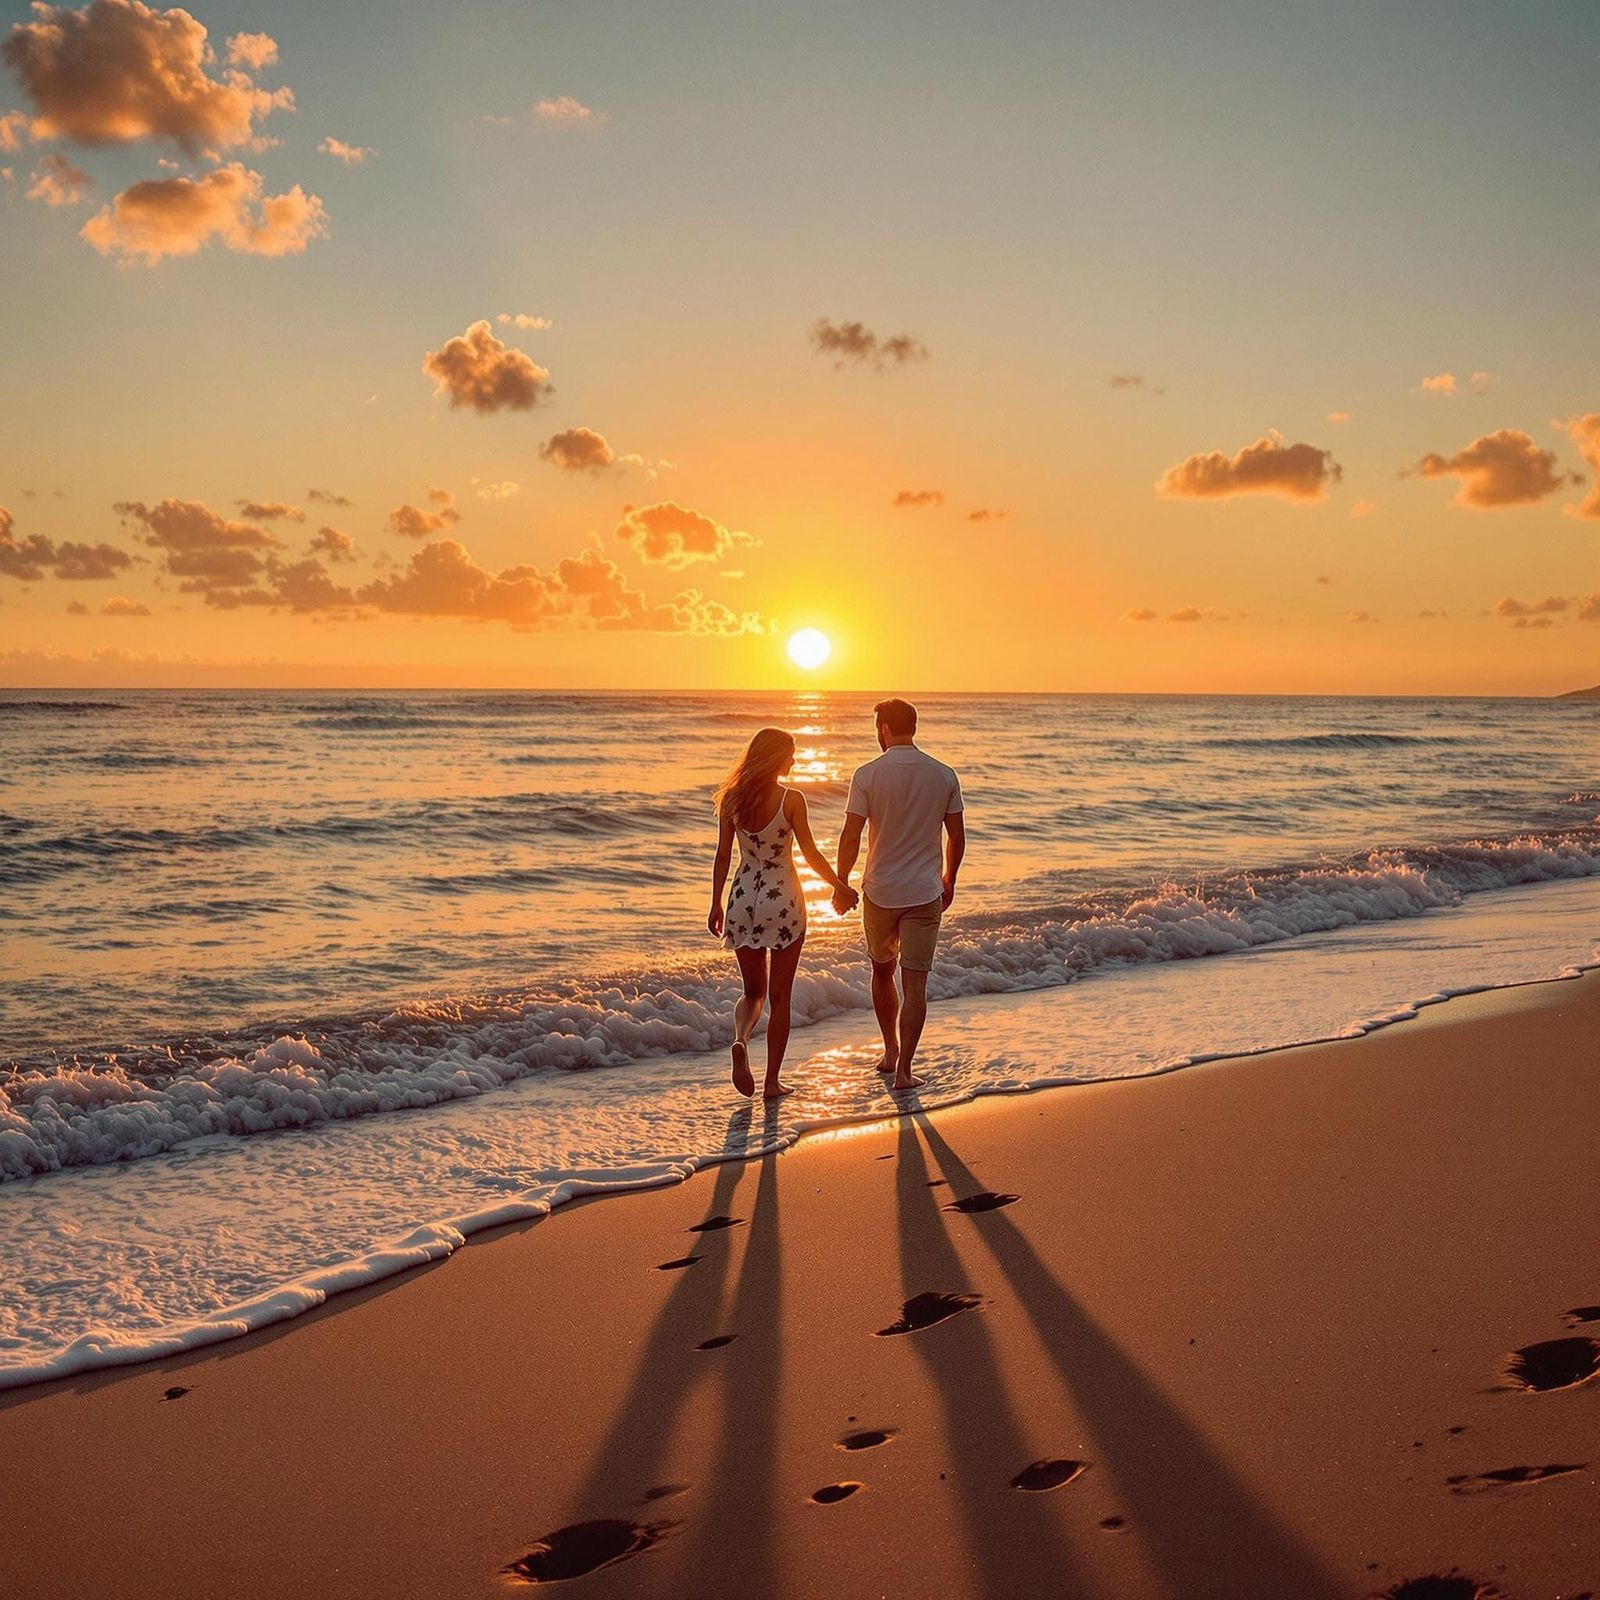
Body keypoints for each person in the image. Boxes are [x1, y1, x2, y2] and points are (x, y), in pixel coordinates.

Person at [708, 727, 859, 1099]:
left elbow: (724, 856)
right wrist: (839, 886)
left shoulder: (730, 800)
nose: (794, 760)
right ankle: (772, 1082)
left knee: (752, 992)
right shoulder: (792, 799)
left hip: (742, 899)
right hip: (785, 901)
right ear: (776, 757)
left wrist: (715, 903)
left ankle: (741, 1039)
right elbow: (809, 853)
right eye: (790, 754)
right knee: (781, 997)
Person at [833, 699, 964, 1090]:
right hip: (925, 892)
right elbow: (956, 837)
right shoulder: (943, 774)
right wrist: (949, 879)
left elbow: (851, 834)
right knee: (916, 984)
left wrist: (842, 882)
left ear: (885, 729)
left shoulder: (868, 774)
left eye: (878, 727)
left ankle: (890, 1049)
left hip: (881, 891)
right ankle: (905, 1070)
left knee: (881, 970)